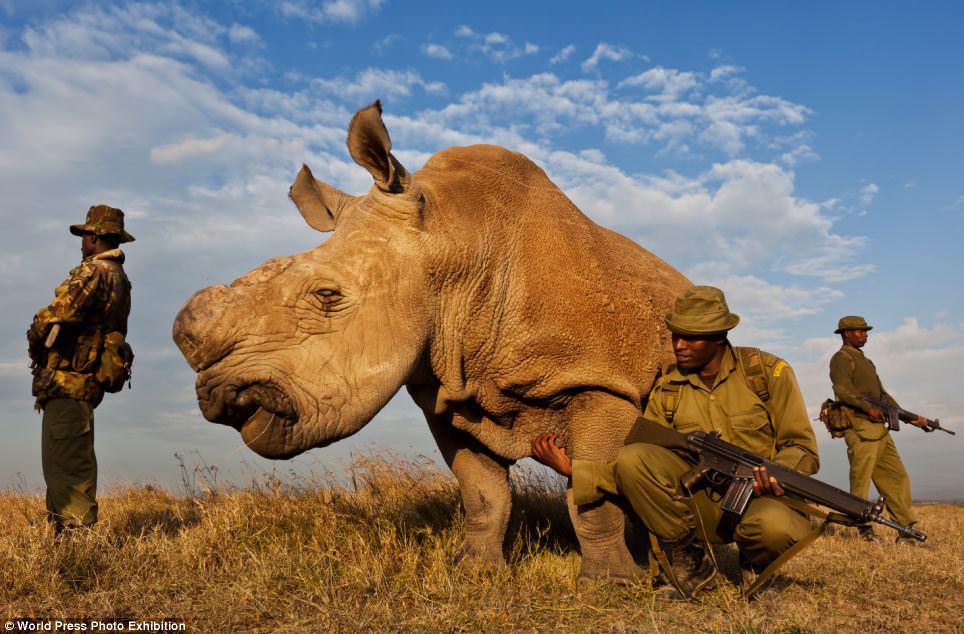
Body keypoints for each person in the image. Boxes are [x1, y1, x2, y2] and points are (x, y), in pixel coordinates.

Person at [532, 285, 818, 599]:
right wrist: (572, 469)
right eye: (675, 336)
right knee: (634, 457)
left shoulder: (766, 374)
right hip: (702, 505)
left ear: (719, 337)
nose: (679, 345)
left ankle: (755, 564)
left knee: (774, 527)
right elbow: (634, 470)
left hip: (762, 499)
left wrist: (776, 473)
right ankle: (691, 565)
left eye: (690, 337)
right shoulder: (668, 389)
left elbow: (802, 448)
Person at [27, 204, 134, 533]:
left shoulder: (93, 272)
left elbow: (52, 317)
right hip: (82, 384)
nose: (82, 241)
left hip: (69, 382)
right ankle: (62, 541)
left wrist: (35, 339)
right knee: (62, 464)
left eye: (86, 234)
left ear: (96, 238)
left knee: (69, 467)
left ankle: (79, 547)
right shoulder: (120, 279)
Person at [829, 316, 927, 545]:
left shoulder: (866, 361)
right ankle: (863, 530)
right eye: (860, 331)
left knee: (896, 476)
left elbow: (883, 395)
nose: (865, 334)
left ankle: (906, 530)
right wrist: (868, 408)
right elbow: (842, 391)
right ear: (846, 334)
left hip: (879, 430)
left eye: (865, 331)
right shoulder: (841, 359)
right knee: (861, 481)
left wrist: (908, 417)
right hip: (860, 428)